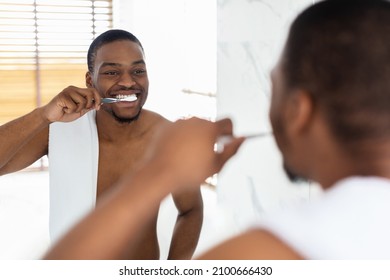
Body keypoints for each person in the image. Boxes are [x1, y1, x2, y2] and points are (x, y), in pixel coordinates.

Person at [44, 0, 390, 259]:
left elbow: (57, 269)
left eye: (274, 89)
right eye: (112, 72)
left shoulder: (263, 253)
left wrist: (158, 173)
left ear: (298, 111)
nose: (126, 81)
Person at [0, 29, 203, 260]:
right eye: (112, 72)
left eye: (138, 70)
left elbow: (190, 210)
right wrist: (42, 115)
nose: (128, 82)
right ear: (90, 80)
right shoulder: (58, 127)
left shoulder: (167, 137)